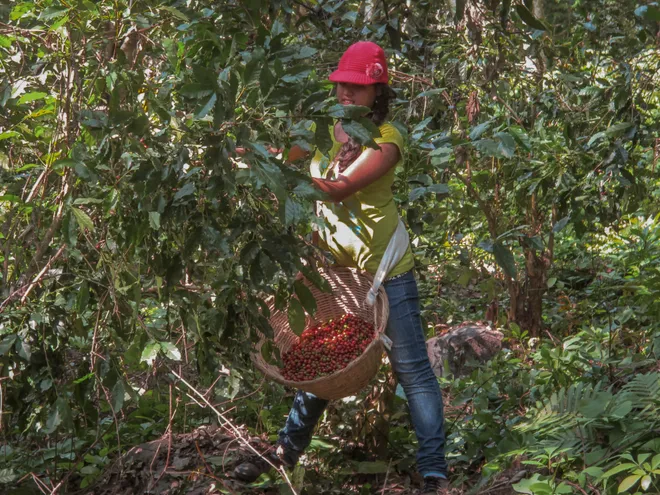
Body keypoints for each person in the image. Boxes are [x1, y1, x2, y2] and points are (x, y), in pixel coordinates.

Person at [234, 41, 451, 495]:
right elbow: (286, 158)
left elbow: (337, 189)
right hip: (338, 273)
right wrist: (248, 153)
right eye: (342, 85)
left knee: (412, 371)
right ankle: (285, 454)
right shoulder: (325, 130)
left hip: (386, 271)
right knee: (321, 369)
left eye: (357, 86)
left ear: (376, 91)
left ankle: (434, 473)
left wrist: (283, 172)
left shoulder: (387, 139)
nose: (347, 94)